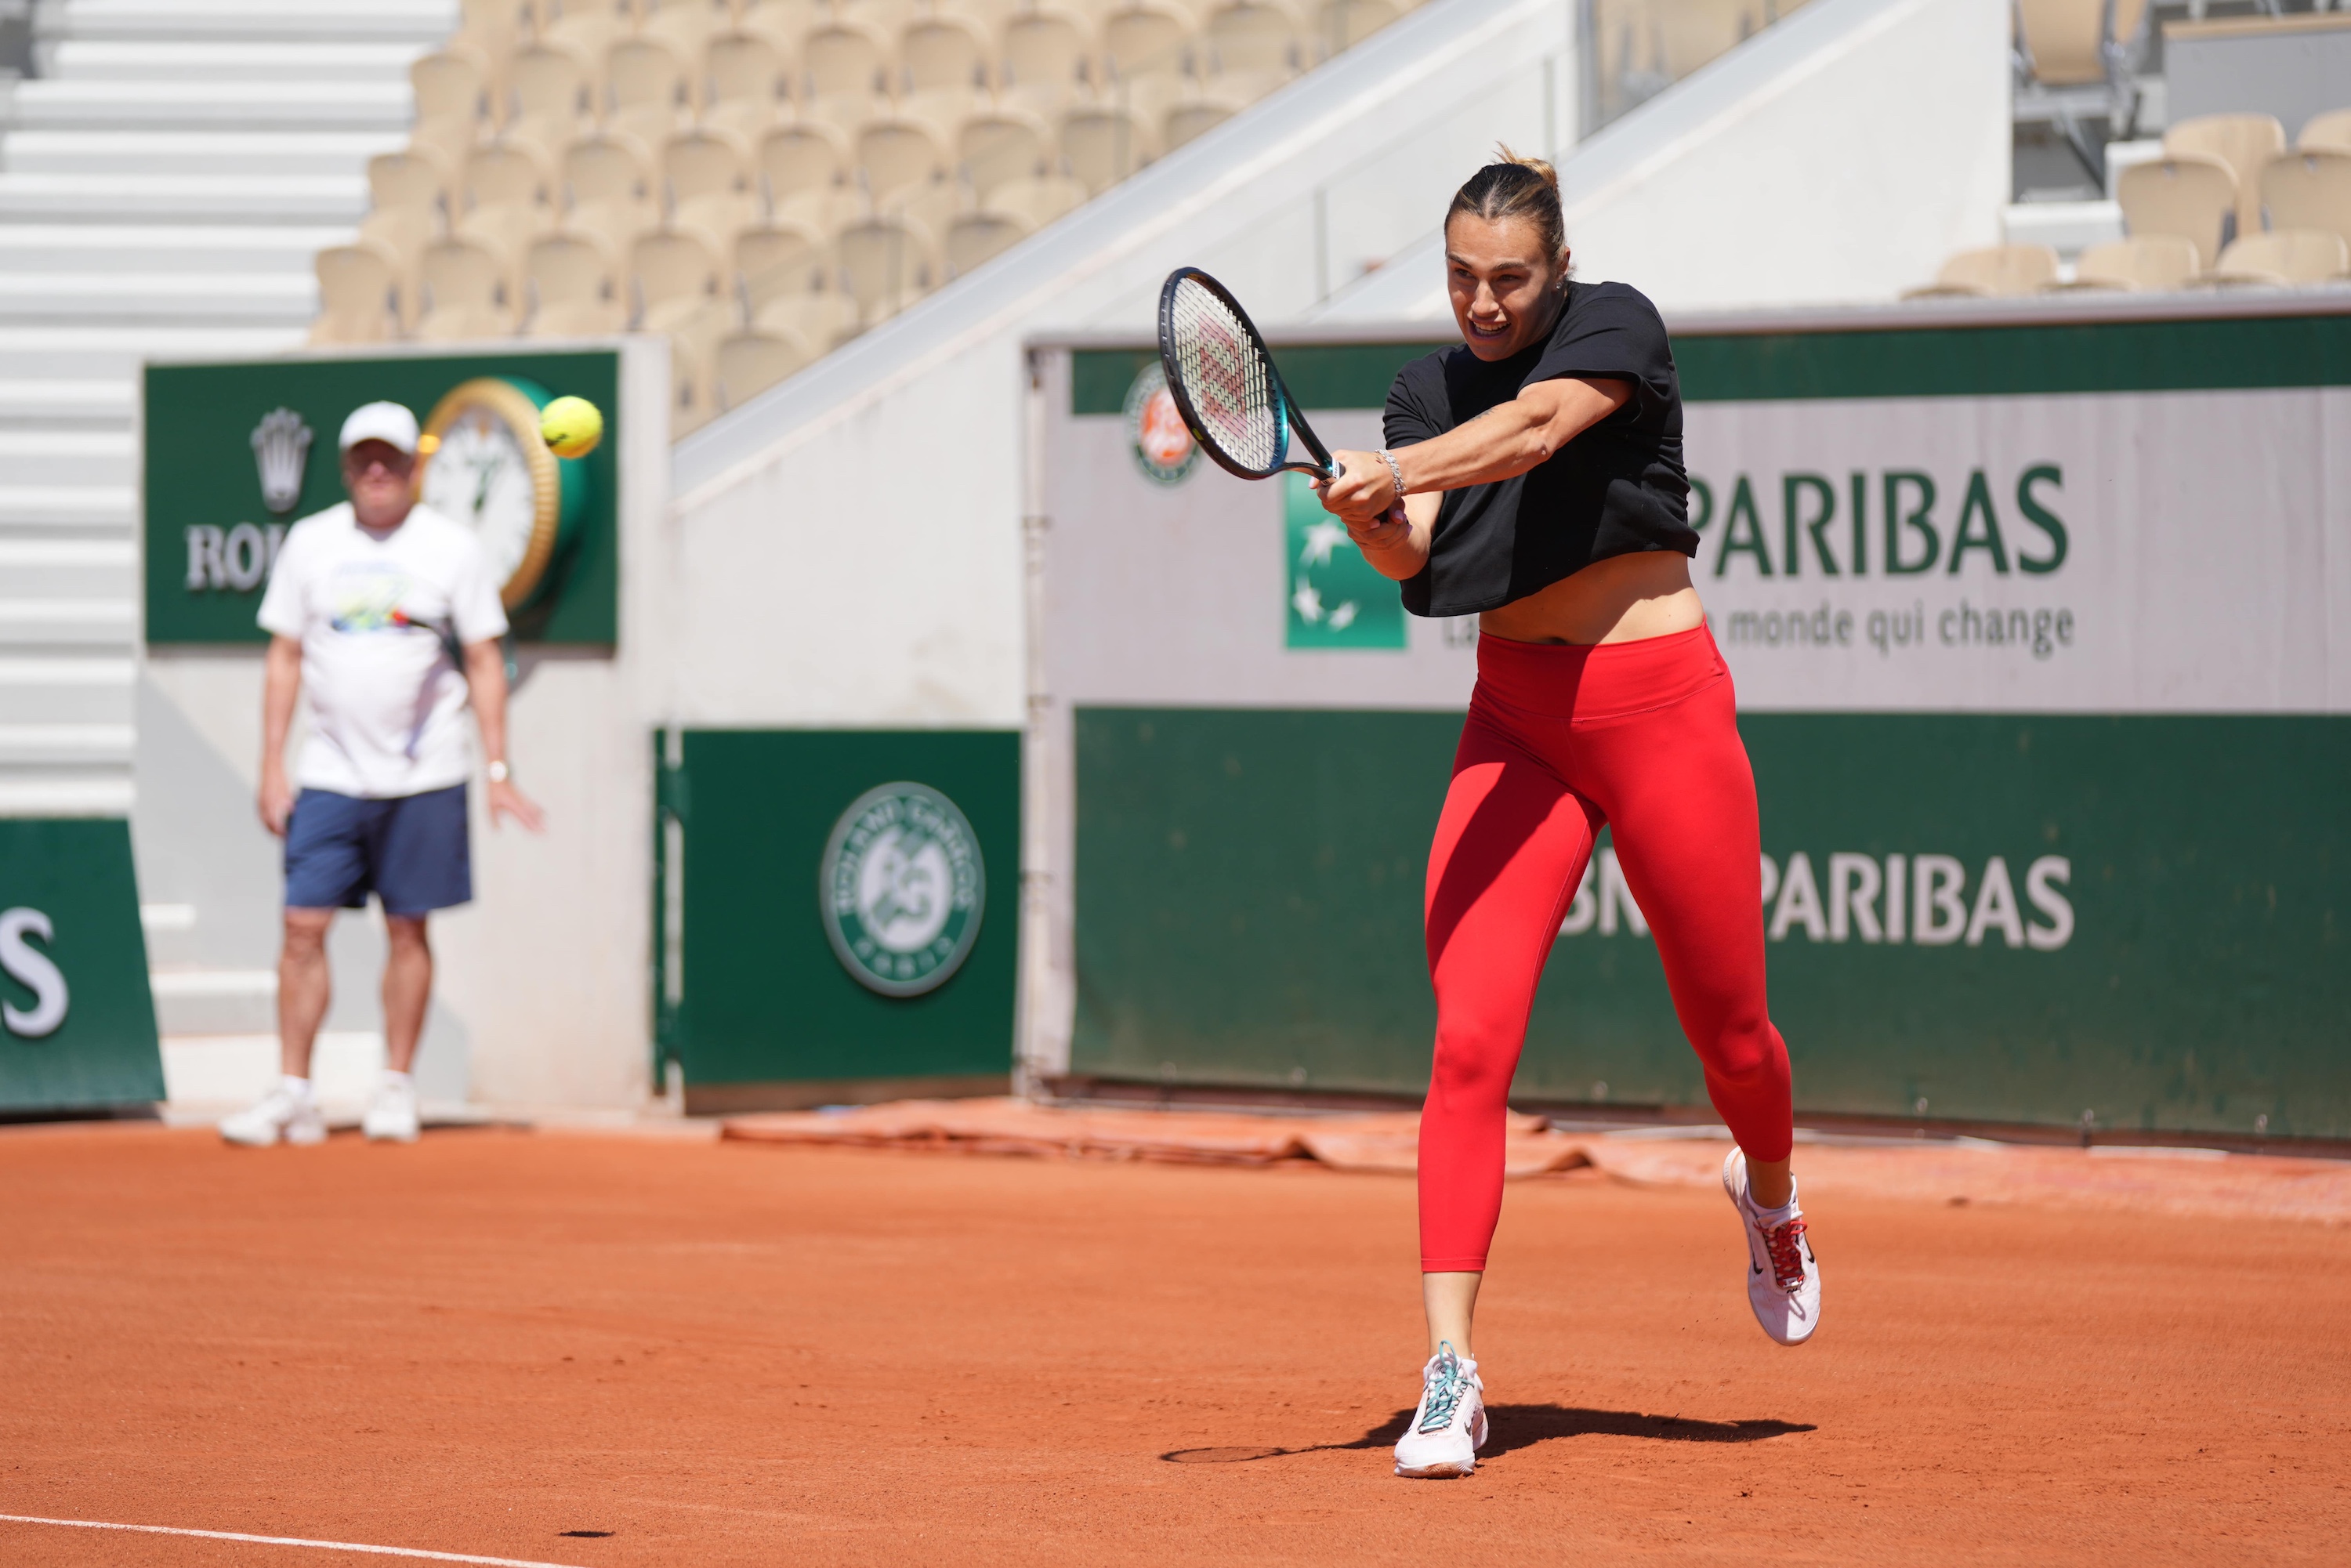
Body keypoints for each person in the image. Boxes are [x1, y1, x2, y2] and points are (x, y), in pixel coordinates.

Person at [1313, 150, 1821, 1480]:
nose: (1482, 302)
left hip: (1662, 707)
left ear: (1558, 265)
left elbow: (1537, 430)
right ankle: (1451, 1373)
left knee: (1735, 1034)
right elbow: (1414, 549)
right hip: (1516, 722)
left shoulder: (1617, 326)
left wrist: (1403, 462)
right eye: (1461, 278)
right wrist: (1369, 512)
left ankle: (1767, 1190)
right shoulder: (1425, 387)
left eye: (1509, 278)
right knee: (1468, 1041)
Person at [220, 402, 544, 1149]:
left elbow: (486, 660)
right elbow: (285, 657)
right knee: (302, 927)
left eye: (391, 458)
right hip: (329, 772)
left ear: (414, 467)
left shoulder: (452, 549)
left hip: (427, 771)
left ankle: (395, 1084)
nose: (377, 470)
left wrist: (497, 767)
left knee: (408, 928)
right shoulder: (309, 543)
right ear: (346, 467)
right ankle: (294, 1091)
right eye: (364, 457)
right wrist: (272, 762)